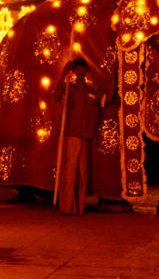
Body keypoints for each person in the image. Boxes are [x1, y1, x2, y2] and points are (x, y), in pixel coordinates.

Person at [53, 58, 102, 215]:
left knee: (83, 173)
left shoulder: (92, 89)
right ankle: (67, 206)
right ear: (73, 70)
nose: (81, 71)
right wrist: (63, 74)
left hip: (86, 134)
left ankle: (79, 207)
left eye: (83, 68)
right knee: (69, 170)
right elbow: (56, 96)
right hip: (71, 133)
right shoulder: (69, 87)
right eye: (78, 68)